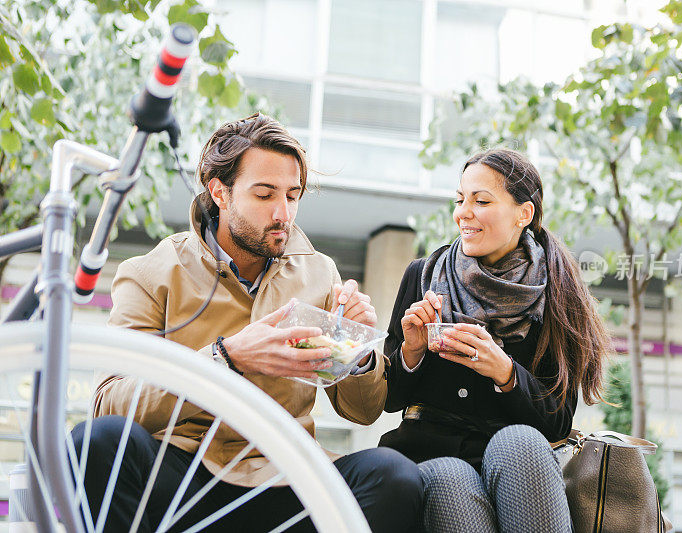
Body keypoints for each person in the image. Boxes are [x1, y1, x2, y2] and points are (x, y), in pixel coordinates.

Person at [73, 113, 422, 532]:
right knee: (97, 443)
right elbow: (109, 405)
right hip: (185, 472)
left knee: (395, 477)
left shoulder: (320, 273)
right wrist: (225, 359)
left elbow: (363, 412)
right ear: (220, 192)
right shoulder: (150, 272)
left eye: (292, 196)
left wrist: (359, 352)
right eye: (264, 195)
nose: (282, 213)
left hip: (286, 474)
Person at [379, 148, 612, 532]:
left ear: (524, 214)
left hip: (519, 465)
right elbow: (389, 399)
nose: (463, 213)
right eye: (460, 199)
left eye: (481, 200)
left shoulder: (558, 291)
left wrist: (505, 372)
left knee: (518, 441)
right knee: (451, 477)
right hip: (429, 450)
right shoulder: (423, 276)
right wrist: (411, 351)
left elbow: (557, 422)